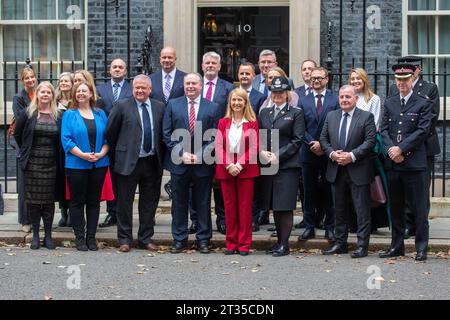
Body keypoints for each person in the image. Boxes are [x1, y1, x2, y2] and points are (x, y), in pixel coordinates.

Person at [105, 75, 165, 253]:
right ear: (132, 89)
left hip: (152, 162)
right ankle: (124, 239)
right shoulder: (122, 106)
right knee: (124, 202)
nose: (140, 91)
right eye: (137, 87)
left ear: (150, 90)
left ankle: (145, 238)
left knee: (149, 203)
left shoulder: (159, 107)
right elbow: (110, 132)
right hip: (127, 162)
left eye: (143, 88)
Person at [379, 63, 433, 261]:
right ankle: (397, 245)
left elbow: (422, 131)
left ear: (412, 80)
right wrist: (392, 150)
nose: (402, 83)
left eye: (406, 79)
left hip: (414, 164)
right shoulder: (390, 102)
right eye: (399, 79)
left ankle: (421, 248)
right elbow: (383, 129)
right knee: (396, 207)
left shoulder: (423, 102)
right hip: (394, 163)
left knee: (418, 208)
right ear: (395, 81)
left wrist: (402, 149)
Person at [163, 73, 219, 254]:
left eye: (194, 83)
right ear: (184, 85)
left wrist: (200, 155)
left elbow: (216, 135)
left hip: (203, 164)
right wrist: (181, 153)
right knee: (179, 203)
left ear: (201, 85)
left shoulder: (213, 106)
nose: (190, 86)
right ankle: (179, 239)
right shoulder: (173, 104)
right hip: (180, 163)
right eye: (187, 83)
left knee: (203, 202)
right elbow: (166, 134)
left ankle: (203, 239)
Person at [320, 85, 377, 258]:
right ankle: (340, 243)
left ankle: (362, 246)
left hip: (358, 169)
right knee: (339, 210)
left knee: (361, 211)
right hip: (336, 169)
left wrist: (351, 156)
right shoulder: (331, 116)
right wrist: (332, 154)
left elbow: (370, 141)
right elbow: (323, 139)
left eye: (348, 97)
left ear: (356, 99)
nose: (344, 100)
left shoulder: (366, 116)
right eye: (342, 97)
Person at [389, 56, 440, 239]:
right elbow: (393, 120)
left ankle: (419, 227)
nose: (403, 72)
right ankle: (405, 225)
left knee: (420, 191)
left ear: (417, 69)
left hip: (423, 147)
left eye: (408, 68)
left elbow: (431, 118)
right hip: (398, 150)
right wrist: (396, 148)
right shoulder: (394, 89)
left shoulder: (430, 88)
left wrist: (405, 146)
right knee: (400, 191)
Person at [14, 82, 64, 250]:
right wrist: (25, 151)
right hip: (32, 163)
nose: (45, 94)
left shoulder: (58, 115)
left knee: (49, 201)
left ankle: (48, 235)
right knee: (33, 201)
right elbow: (18, 134)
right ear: (37, 94)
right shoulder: (27, 113)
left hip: (51, 163)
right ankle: (35, 234)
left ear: (52, 95)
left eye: (48, 92)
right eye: (42, 91)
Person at [258, 77, 305, 257]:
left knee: (285, 206)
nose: (277, 95)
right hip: (269, 165)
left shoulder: (295, 112)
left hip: (287, 166)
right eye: (275, 92)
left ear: (287, 94)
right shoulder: (265, 113)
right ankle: (278, 242)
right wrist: (263, 152)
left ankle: (284, 244)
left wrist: (279, 155)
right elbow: (261, 136)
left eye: (281, 92)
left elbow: (297, 139)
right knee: (275, 205)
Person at [61, 81, 110, 251]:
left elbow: (108, 138)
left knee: (94, 202)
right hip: (76, 164)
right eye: (78, 91)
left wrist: (101, 153)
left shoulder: (101, 114)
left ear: (91, 94)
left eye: (84, 91)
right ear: (75, 95)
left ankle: (91, 237)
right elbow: (66, 140)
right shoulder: (69, 114)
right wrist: (82, 154)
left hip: (99, 163)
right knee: (77, 202)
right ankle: (80, 238)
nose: (81, 93)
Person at [215, 88, 259, 256]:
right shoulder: (223, 122)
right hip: (226, 170)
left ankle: (243, 245)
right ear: (230, 103)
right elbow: (219, 146)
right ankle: (231, 243)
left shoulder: (252, 122)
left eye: (240, 100)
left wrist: (239, 165)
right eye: (234, 100)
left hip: (245, 169)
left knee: (245, 208)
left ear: (245, 102)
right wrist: (229, 165)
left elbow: (254, 147)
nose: (237, 103)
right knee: (229, 208)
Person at [298, 67, 339, 241]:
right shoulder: (302, 100)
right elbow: (299, 127)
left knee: (329, 190)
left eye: (319, 78)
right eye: (313, 78)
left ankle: (330, 226)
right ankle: (309, 226)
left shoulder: (335, 99)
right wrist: (311, 143)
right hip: (308, 152)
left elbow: (336, 125)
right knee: (309, 191)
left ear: (326, 79)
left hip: (328, 152)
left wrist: (323, 145)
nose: (316, 81)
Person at [96, 59, 133, 229]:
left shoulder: (131, 88)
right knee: (109, 176)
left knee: (124, 177)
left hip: (126, 138)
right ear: (109, 70)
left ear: (125, 71)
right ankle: (112, 212)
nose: (117, 69)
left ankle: (124, 213)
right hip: (106, 139)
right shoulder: (100, 89)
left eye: (121, 67)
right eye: (114, 67)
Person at [201, 51, 235, 235]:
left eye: (214, 63)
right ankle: (198, 220)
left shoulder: (228, 88)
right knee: (199, 184)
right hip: (198, 141)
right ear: (202, 66)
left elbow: (231, 113)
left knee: (221, 184)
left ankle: (222, 219)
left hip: (223, 142)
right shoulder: (195, 84)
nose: (210, 65)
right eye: (207, 63)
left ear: (219, 67)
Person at [12, 67, 37, 233]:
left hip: (40, 146)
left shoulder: (40, 93)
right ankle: (24, 221)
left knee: (36, 186)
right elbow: (22, 120)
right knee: (23, 186)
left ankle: (35, 219)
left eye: (32, 77)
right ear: (23, 81)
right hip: (24, 147)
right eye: (26, 78)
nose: (30, 80)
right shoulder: (18, 98)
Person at [55, 72, 74, 227]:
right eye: (61, 81)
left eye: (66, 81)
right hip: (57, 148)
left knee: (73, 180)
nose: (63, 83)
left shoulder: (76, 101)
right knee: (61, 180)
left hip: (73, 146)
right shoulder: (55, 101)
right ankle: (64, 212)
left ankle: (75, 213)